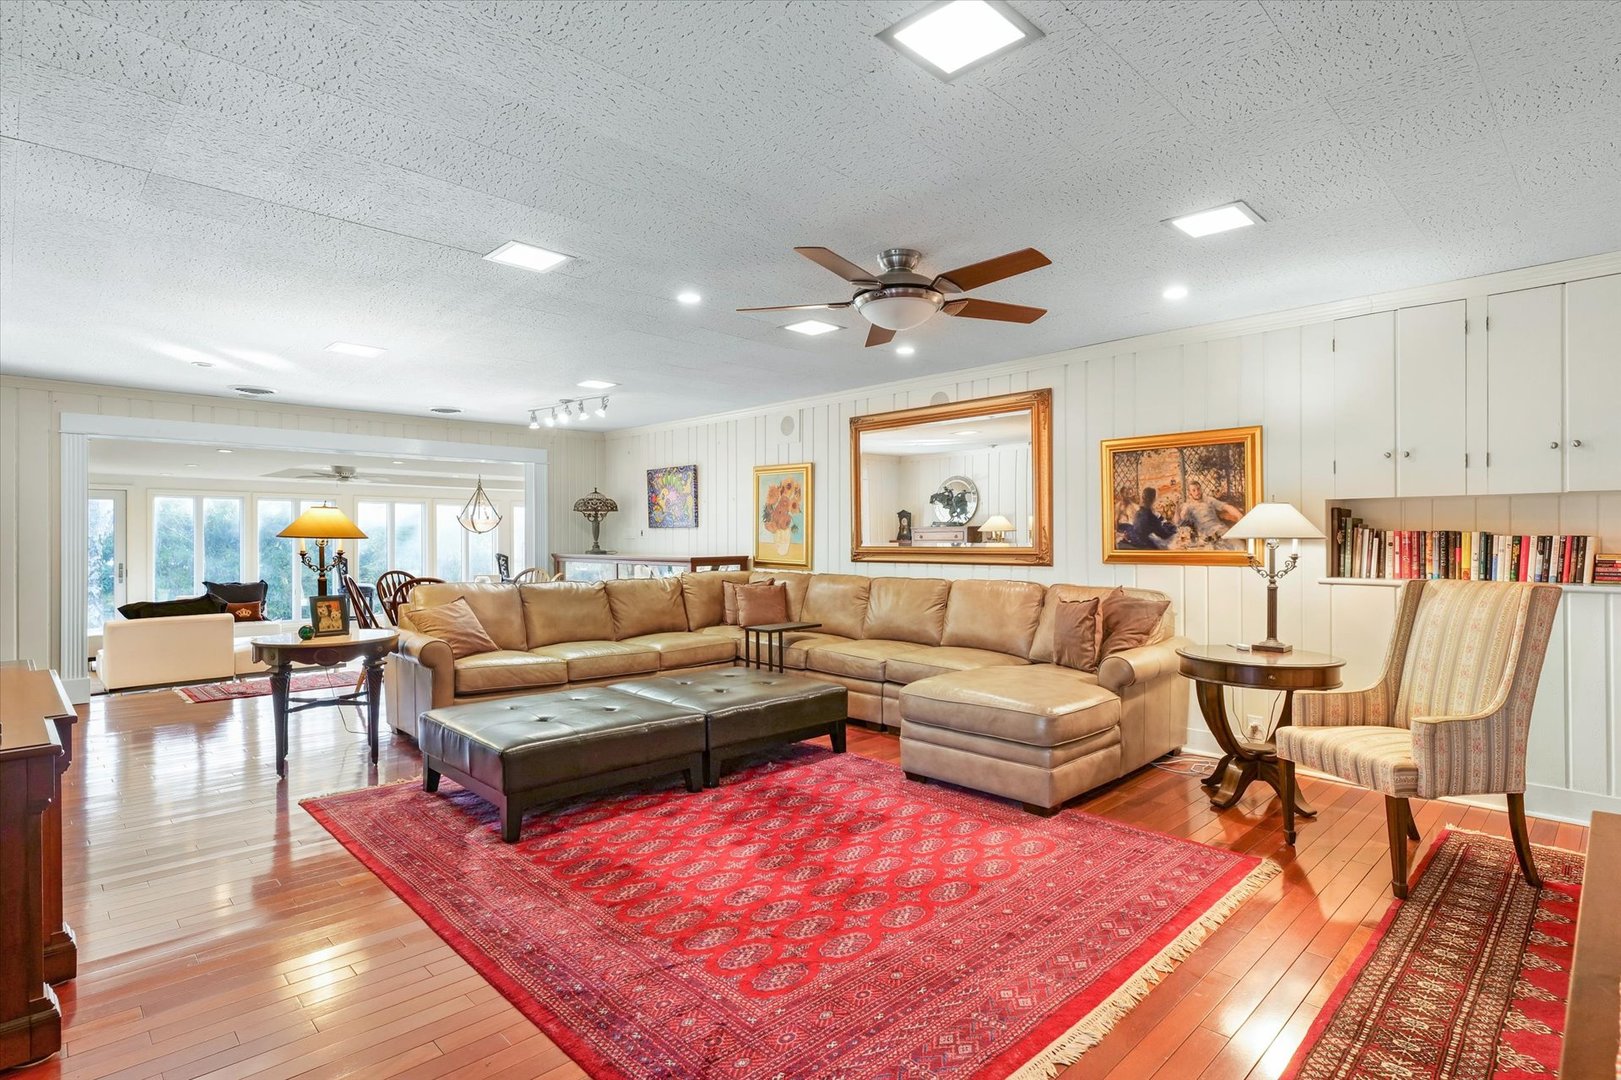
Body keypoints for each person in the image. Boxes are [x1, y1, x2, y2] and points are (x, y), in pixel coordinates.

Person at [1176, 481, 1244, 548]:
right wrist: (1177, 507)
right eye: (1193, 490)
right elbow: (1178, 522)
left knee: (1240, 546)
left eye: (1198, 489)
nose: (1197, 492)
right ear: (1190, 493)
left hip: (1220, 530)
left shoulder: (1209, 500)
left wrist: (1239, 515)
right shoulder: (1188, 506)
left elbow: (1226, 507)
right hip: (1206, 536)